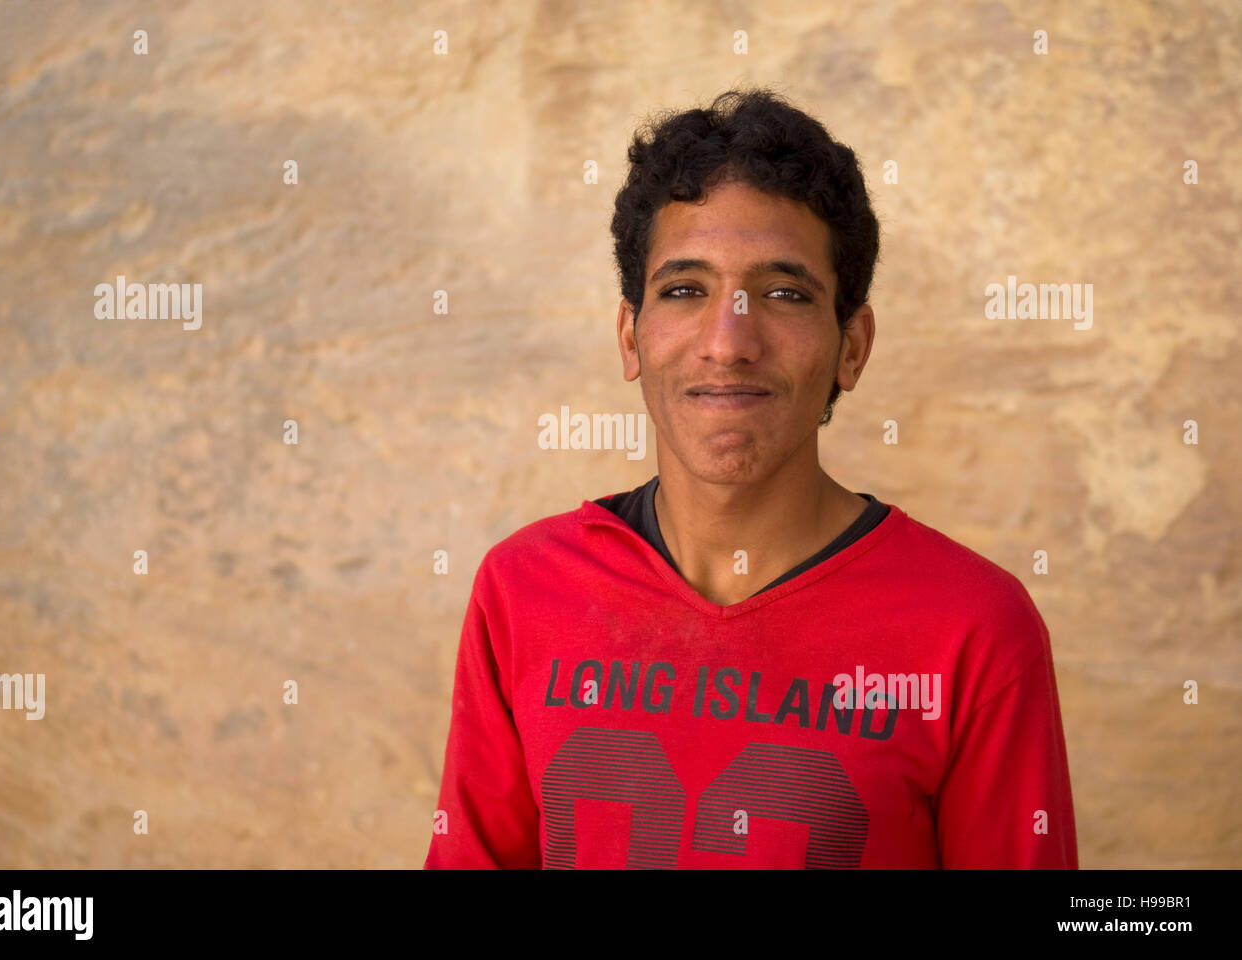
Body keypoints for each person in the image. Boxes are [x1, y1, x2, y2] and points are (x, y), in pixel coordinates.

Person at [424, 86, 1078, 869]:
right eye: (685, 290)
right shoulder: (524, 591)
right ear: (631, 336)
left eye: (783, 293)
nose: (729, 342)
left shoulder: (972, 630)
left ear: (852, 347)